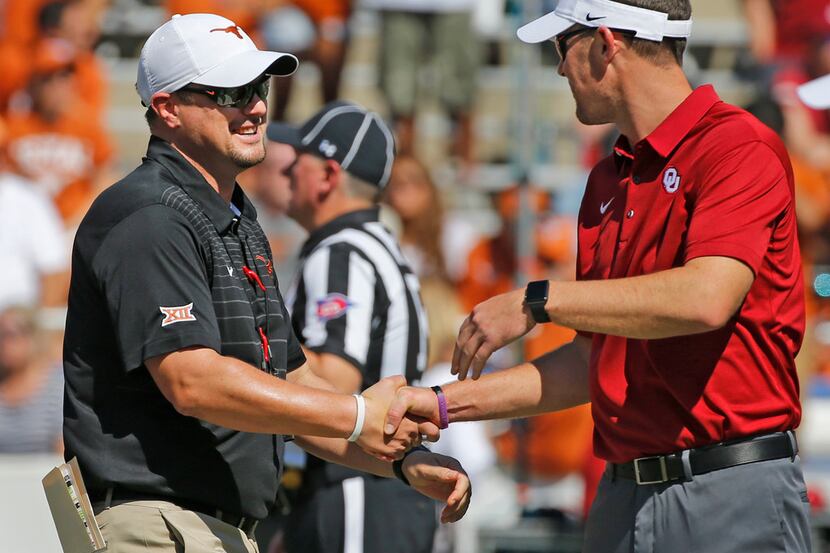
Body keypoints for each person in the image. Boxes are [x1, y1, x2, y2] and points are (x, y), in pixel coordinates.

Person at [384, 1, 811, 552]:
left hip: (729, 490)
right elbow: (593, 360)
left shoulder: (736, 146)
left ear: (607, 43)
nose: (560, 68)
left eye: (564, 46)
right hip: (622, 496)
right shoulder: (608, 178)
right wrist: (444, 405)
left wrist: (539, 300)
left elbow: (707, 297)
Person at [62, 14, 470, 553]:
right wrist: (357, 415)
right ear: (167, 109)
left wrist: (400, 459)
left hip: (207, 527)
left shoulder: (236, 219)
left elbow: (293, 382)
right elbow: (192, 382)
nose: (256, 106)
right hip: (155, 524)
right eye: (231, 92)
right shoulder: (150, 214)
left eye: (258, 88)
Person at [266, 101, 438, 553]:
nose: (284, 173)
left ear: (327, 175)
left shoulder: (341, 252)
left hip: (356, 484)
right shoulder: (370, 243)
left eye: (297, 162)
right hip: (375, 483)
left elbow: (335, 379)